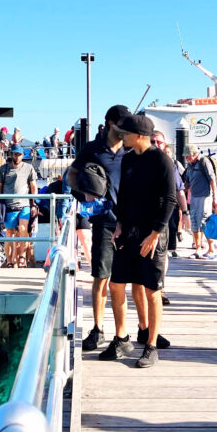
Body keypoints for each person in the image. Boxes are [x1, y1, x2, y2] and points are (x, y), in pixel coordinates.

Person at [100, 112, 176, 368]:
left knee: (152, 291)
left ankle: (151, 345)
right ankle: (122, 338)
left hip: (153, 234)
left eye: (126, 133)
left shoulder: (161, 160)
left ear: (140, 136)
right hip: (128, 231)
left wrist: (155, 234)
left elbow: (170, 200)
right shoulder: (128, 159)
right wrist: (120, 224)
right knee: (116, 285)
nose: (122, 136)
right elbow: (124, 195)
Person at [67, 104, 142, 353]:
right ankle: (98, 329)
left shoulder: (133, 149)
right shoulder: (92, 148)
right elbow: (72, 174)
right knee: (101, 276)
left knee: (136, 279)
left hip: (131, 222)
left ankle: (144, 329)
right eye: (124, 123)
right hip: (104, 221)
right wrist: (82, 195)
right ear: (111, 123)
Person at [152, 130, 188, 305]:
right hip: (141, 216)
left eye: (159, 142)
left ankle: (160, 288)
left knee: (162, 253)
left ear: (165, 144)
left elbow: (179, 190)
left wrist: (185, 213)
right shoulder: (136, 162)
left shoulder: (170, 164)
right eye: (153, 141)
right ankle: (148, 288)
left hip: (166, 215)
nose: (156, 145)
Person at [0, 146, 37, 268]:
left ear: (23, 155)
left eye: (19, 154)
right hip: (8, 206)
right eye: (14, 154)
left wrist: (34, 204)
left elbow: (33, 186)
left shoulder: (29, 168)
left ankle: (22, 257)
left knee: (23, 229)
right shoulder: (3, 169)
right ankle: (9, 260)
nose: (16, 156)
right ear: (11, 155)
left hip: (24, 205)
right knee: (9, 233)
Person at [183, 144, 217, 259]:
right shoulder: (190, 165)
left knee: (204, 221)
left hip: (205, 196)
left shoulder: (203, 161)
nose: (186, 158)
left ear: (194, 154)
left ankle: (211, 248)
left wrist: (215, 198)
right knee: (194, 221)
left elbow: (212, 179)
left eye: (188, 156)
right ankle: (198, 248)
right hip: (194, 196)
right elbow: (187, 181)